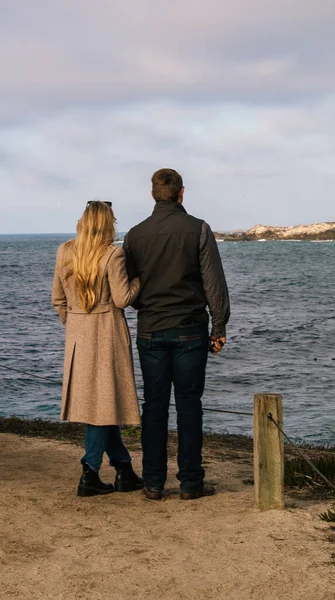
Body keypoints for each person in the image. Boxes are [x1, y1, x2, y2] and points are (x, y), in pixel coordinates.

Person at [124, 168, 230, 500]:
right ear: (181, 193)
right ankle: (190, 482)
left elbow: (129, 286)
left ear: (153, 193)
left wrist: (146, 303)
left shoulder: (135, 235)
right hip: (189, 330)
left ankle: (153, 483)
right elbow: (214, 284)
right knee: (188, 406)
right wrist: (219, 327)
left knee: (154, 406)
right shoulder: (198, 229)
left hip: (150, 329)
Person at [52, 200, 144, 497]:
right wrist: (140, 281)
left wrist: (76, 326)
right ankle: (89, 472)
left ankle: (124, 469)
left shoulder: (65, 250)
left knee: (104, 407)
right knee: (103, 409)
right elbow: (122, 298)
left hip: (79, 337)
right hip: (107, 335)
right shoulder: (113, 254)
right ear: (108, 224)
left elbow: (58, 299)